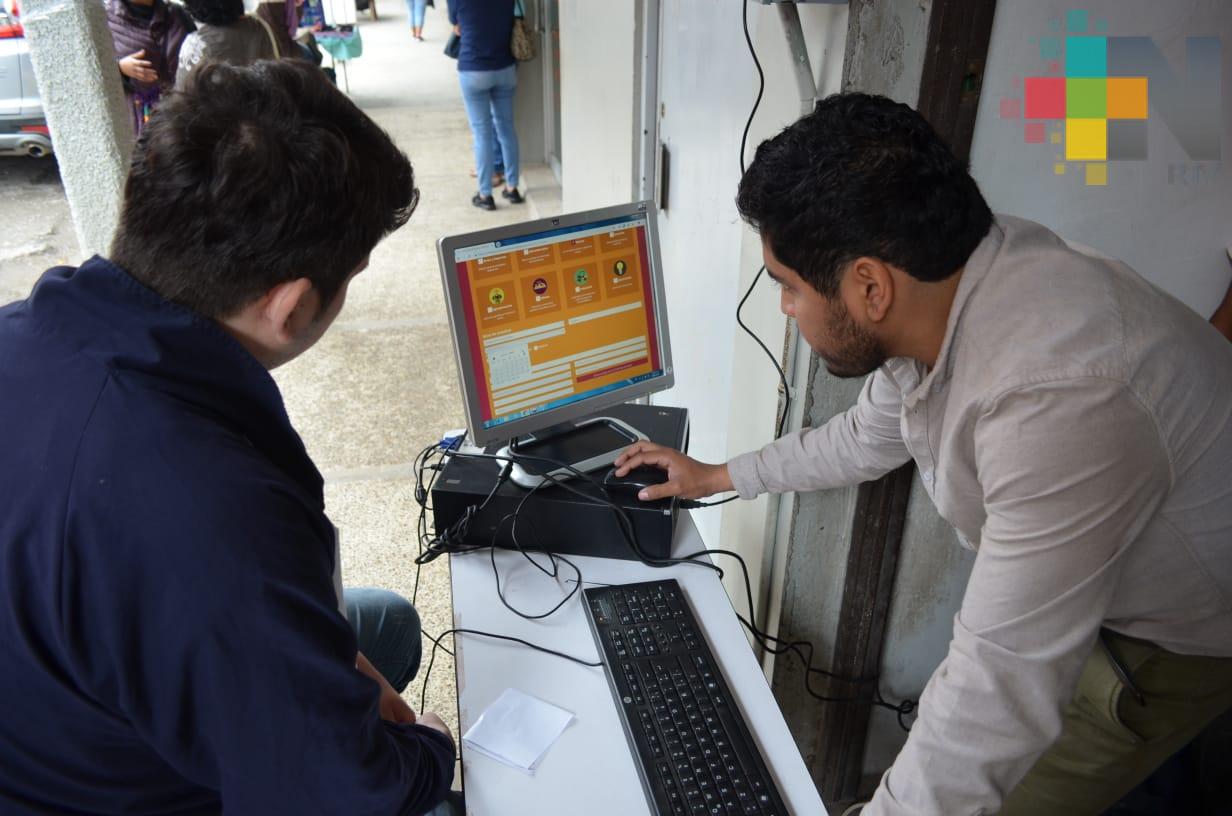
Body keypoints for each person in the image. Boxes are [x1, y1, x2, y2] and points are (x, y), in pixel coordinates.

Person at [615, 93, 1232, 815]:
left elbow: (998, 689)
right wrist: (719, 476)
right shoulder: (959, 279)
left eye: (787, 286)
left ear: (870, 287)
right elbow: (869, 435)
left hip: (1168, 642)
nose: (783, 308)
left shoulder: (1060, 399)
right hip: (1096, 596)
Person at [0, 60, 459, 815]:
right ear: (292, 307)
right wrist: (430, 750)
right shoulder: (209, 508)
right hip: (117, 788)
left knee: (386, 623)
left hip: (56, 704)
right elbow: (346, 792)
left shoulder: (31, 331)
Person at [447, 0, 524, 210]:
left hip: (473, 69)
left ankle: (485, 194)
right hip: (504, 69)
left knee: (482, 133)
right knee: (507, 129)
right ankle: (512, 188)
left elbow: (457, 27)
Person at [106, 0, 194, 135]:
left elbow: (199, 49)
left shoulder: (176, 13)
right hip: (140, 117)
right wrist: (120, 68)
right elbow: (93, 72)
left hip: (184, 108)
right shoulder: (106, 18)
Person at [177, 0, 282, 88]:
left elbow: (182, 99)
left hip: (220, 111)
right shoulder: (259, 27)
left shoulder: (197, 44)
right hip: (265, 108)